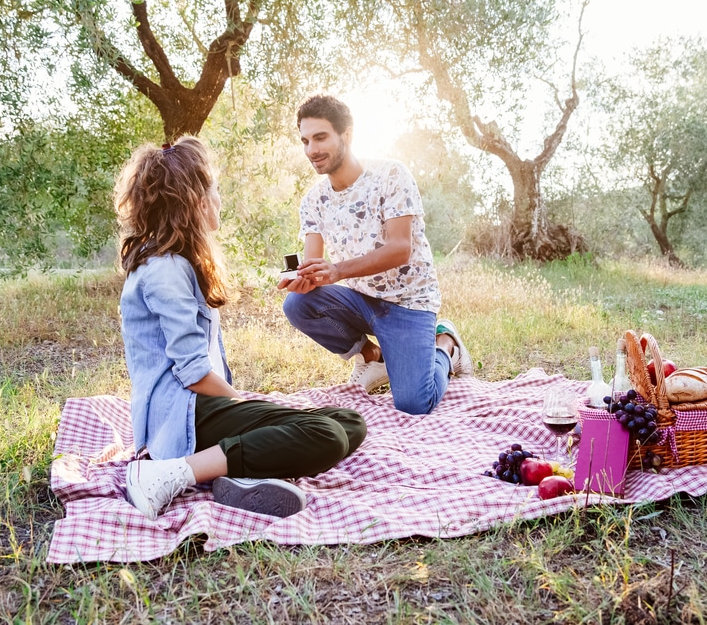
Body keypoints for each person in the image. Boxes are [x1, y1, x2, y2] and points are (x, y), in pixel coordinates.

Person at [117, 136, 366, 520]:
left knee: (349, 421)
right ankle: (166, 475)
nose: (220, 199)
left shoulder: (177, 262)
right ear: (196, 202)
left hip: (199, 409)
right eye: (215, 190)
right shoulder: (164, 270)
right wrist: (240, 402)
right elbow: (195, 373)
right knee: (325, 434)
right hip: (182, 417)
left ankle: (239, 475)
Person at [278, 94, 473, 415]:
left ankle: (446, 345)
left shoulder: (391, 176)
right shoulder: (313, 201)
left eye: (320, 137)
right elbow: (315, 267)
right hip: (360, 300)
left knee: (414, 404)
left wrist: (337, 271)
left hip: (409, 304)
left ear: (347, 135)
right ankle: (373, 357)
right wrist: (303, 279)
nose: (311, 150)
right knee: (297, 304)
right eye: (305, 140)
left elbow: (400, 248)